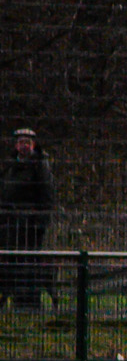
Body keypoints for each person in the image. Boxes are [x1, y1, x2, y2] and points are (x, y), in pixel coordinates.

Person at [1, 127, 55, 313]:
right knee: (12, 263)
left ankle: (29, 304)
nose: (23, 146)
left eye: (27, 143)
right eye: (20, 142)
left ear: (33, 145)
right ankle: (17, 301)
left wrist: (40, 223)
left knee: (28, 263)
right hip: (10, 224)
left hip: (30, 224)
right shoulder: (10, 165)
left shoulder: (39, 165)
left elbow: (46, 196)